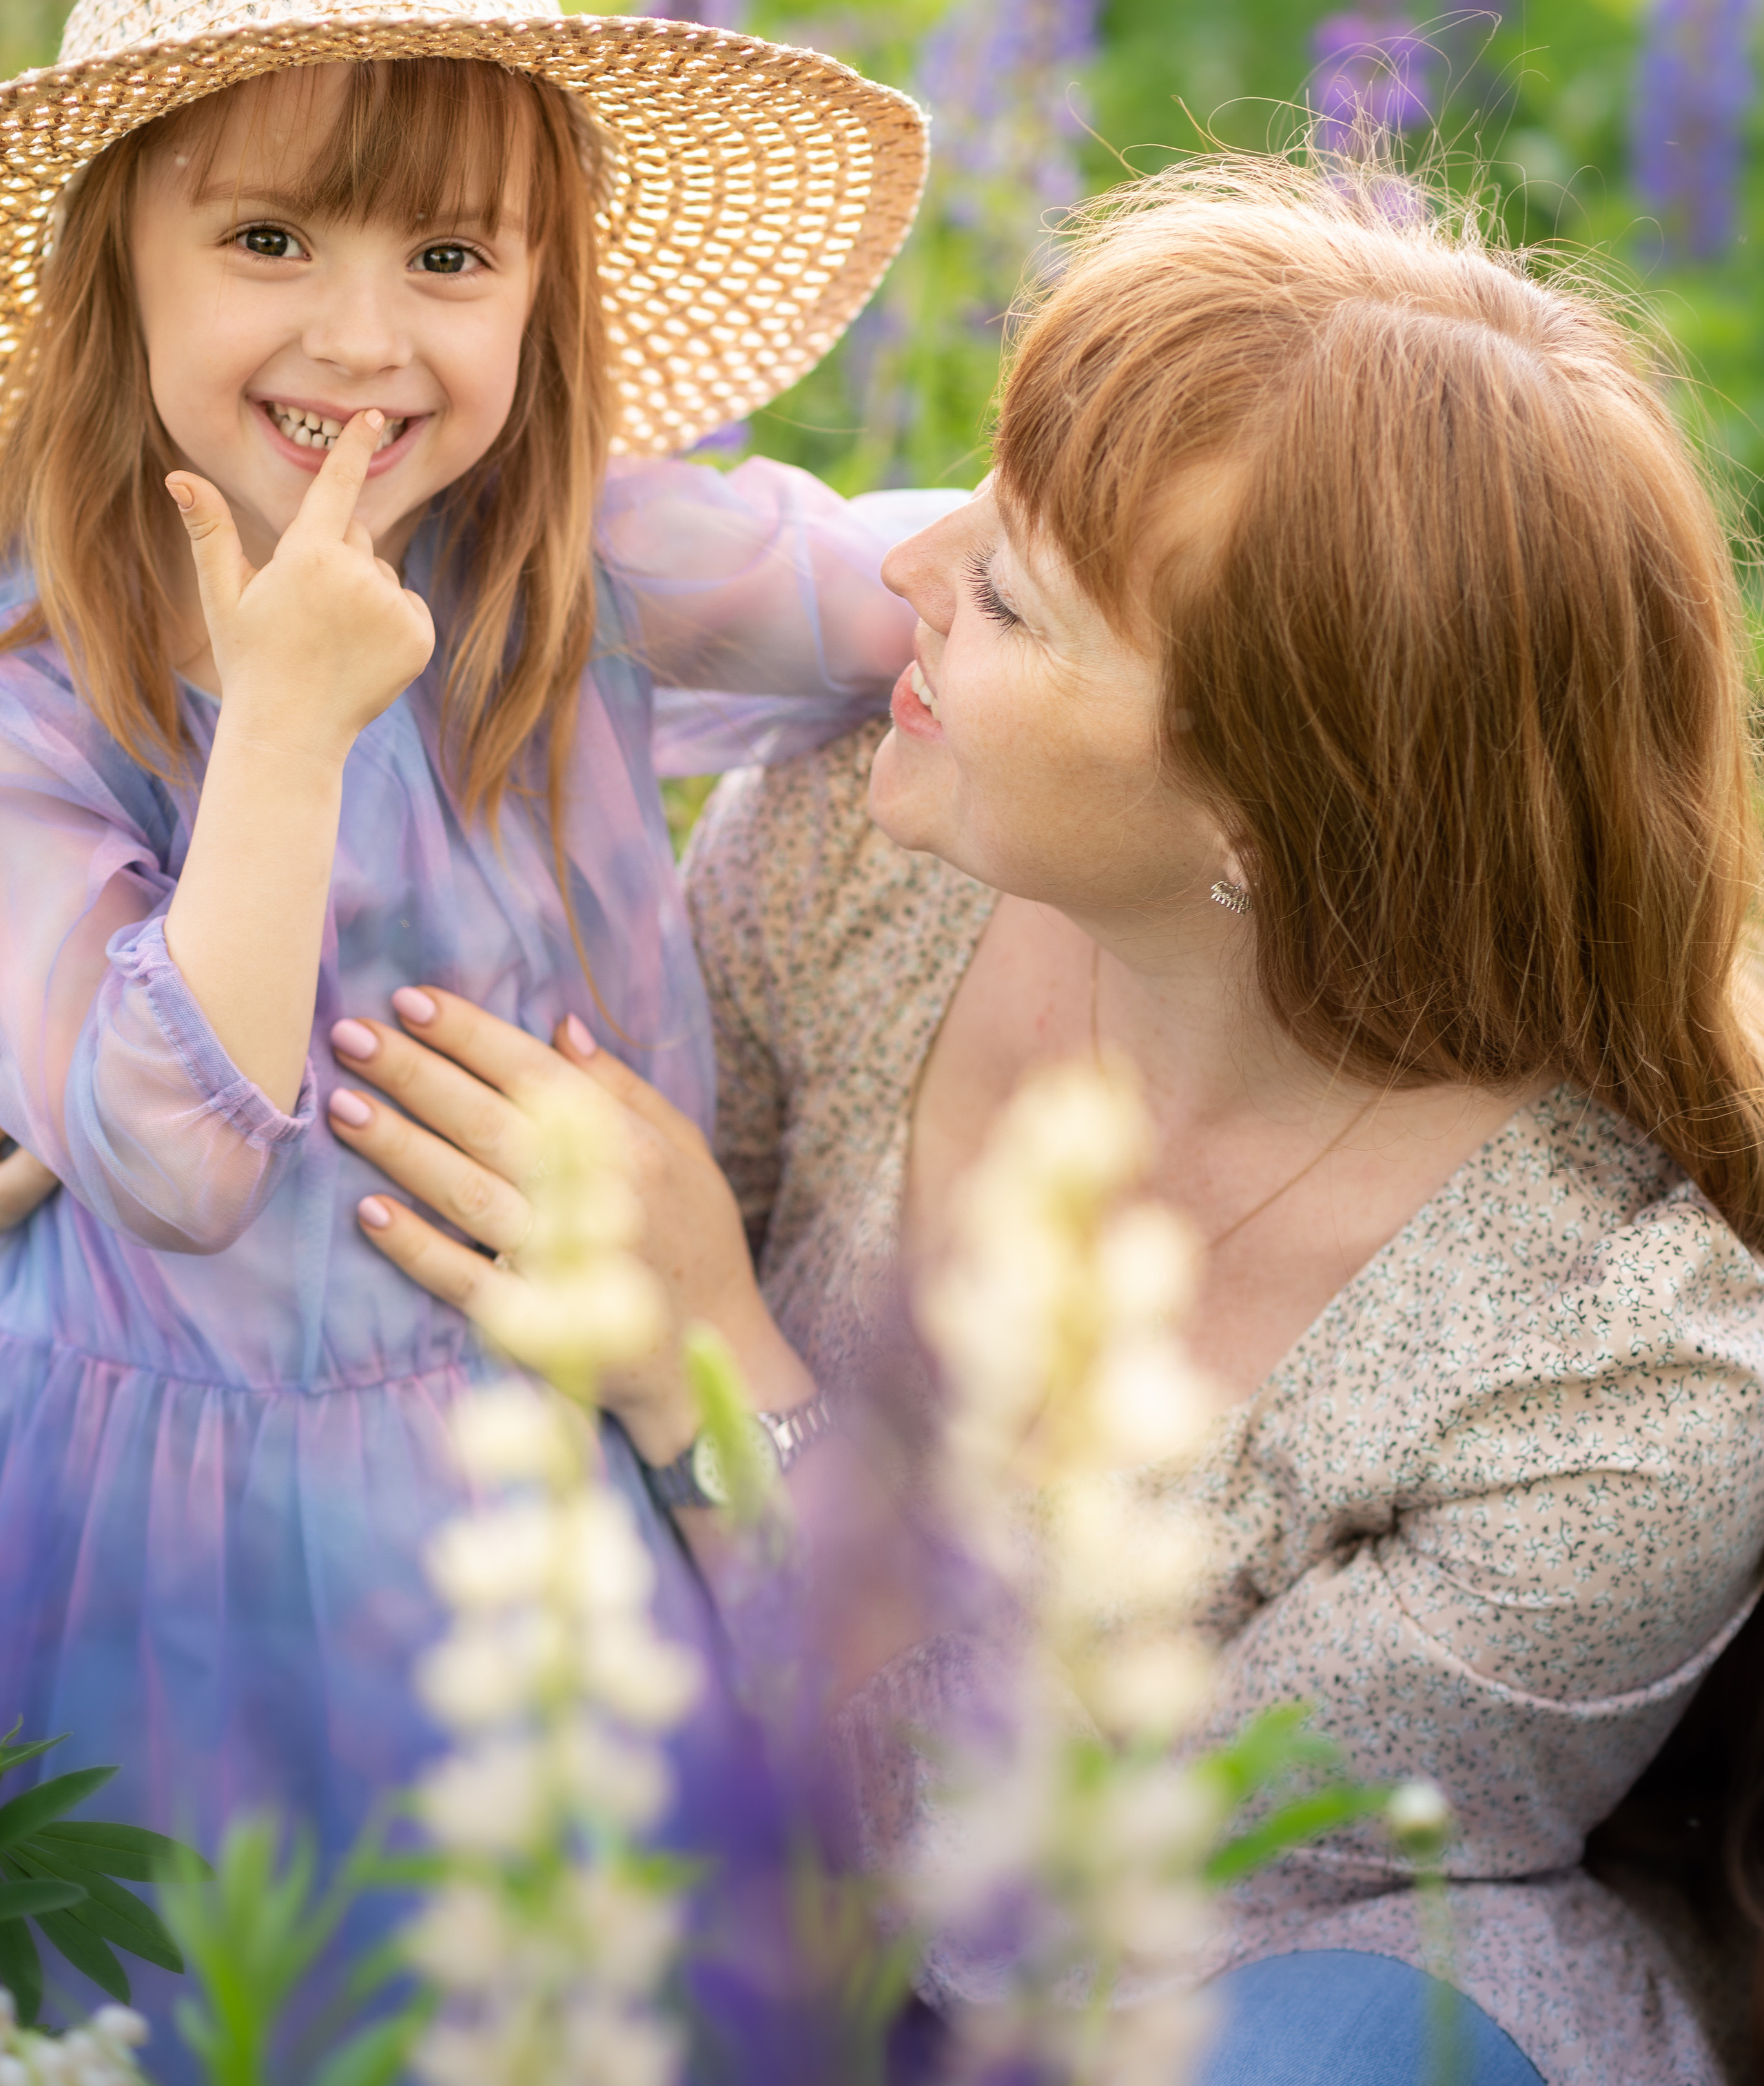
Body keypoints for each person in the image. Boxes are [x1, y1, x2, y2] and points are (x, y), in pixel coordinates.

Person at [338, 161, 1764, 2086]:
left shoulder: (1627, 1366)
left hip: (1265, 1996)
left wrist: (719, 1375)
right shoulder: (867, 840)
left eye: (1012, 592)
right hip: (760, 1836)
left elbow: (1125, 1887)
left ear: (1261, 814)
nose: (898, 575)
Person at [0, 0, 958, 2043]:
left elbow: (882, 585)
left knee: (548, 2004)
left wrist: (1191, 507)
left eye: (450, 252)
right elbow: (170, 1144)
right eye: (265, 238)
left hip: (536, 1485)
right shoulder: (46, 698)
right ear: (110, 276)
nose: (362, 334)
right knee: (198, 2014)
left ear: (546, 292)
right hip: (157, 1532)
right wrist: (288, 729)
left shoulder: (574, 565)